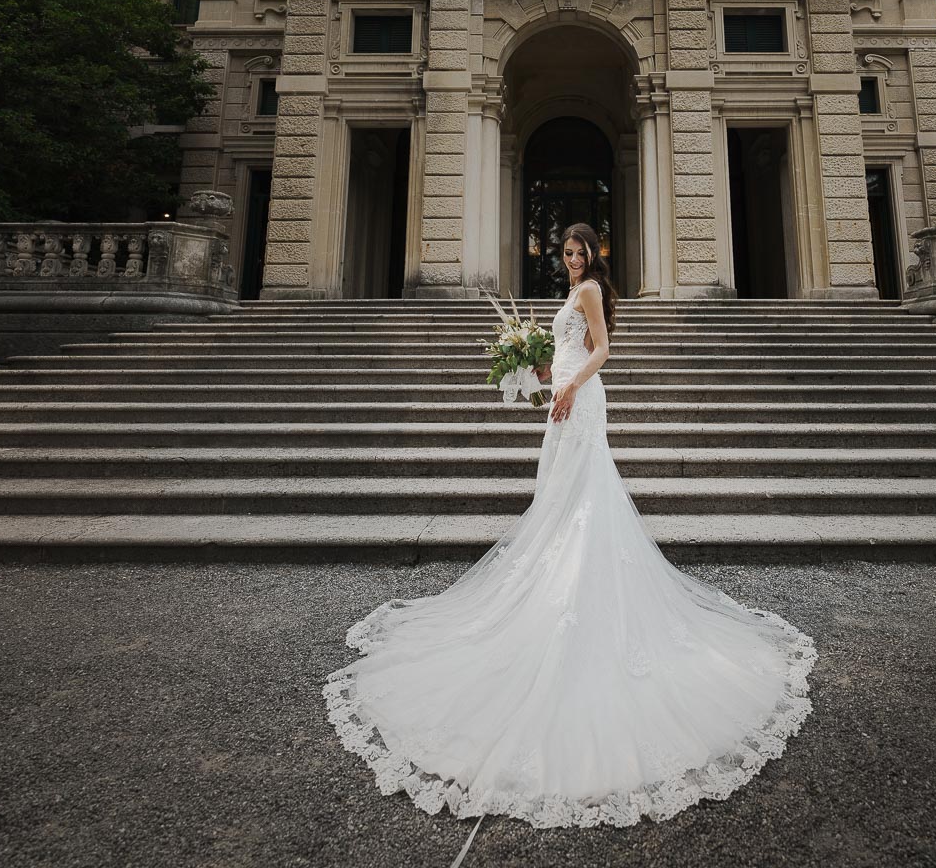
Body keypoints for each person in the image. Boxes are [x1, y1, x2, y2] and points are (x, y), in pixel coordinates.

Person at [323, 221, 818, 839]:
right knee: (559, 497)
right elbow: (565, 351)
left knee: (581, 496)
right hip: (563, 397)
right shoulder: (571, 293)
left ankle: (582, 591)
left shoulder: (589, 293)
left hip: (580, 400)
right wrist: (532, 374)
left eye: (580, 251)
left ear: (593, 255)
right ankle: (558, 579)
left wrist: (569, 389)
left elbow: (602, 350)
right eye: (567, 252)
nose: (573, 259)